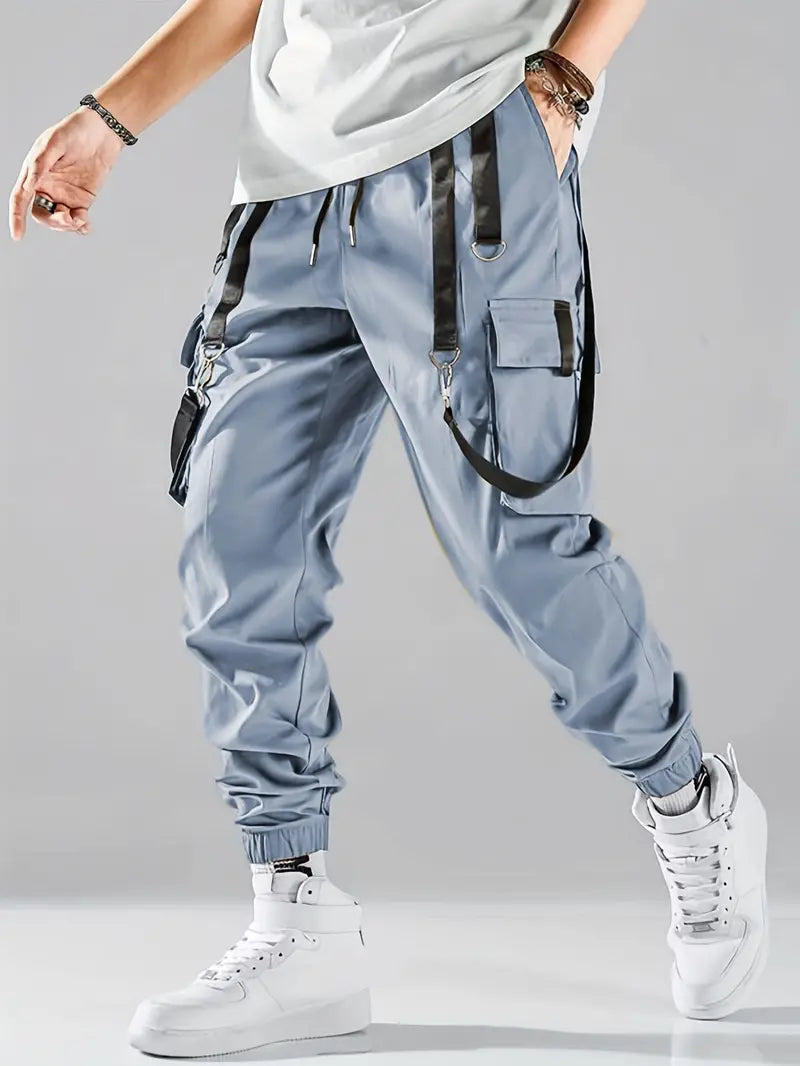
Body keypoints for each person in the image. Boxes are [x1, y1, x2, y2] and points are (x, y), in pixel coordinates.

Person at [9, 0, 769, 1057]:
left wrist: (564, 80)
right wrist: (109, 119)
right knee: (236, 554)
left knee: (519, 548)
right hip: (286, 190)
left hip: (470, 155)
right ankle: (296, 919)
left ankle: (689, 800)